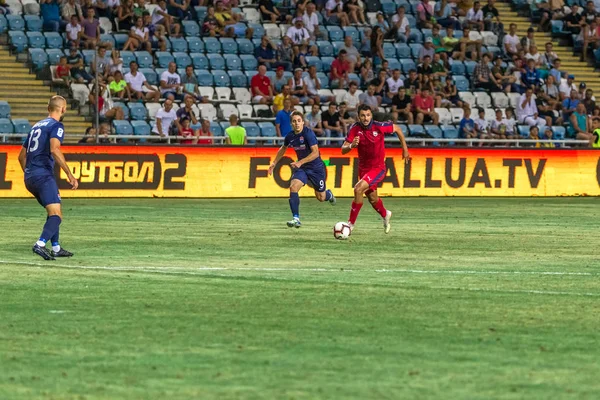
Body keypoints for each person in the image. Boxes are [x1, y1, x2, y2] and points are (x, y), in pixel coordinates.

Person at [18, 96, 78, 260]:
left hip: (30, 177)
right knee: (56, 215)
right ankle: (40, 244)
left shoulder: (36, 126)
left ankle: (56, 247)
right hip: (43, 175)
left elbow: (21, 156)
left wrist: (29, 173)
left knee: (54, 210)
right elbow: (54, 149)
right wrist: (69, 174)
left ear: (48, 108)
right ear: (63, 109)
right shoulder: (56, 125)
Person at [341, 105, 410, 234]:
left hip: (378, 168)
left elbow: (398, 129)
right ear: (358, 116)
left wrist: (405, 149)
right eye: (363, 115)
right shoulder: (354, 128)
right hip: (363, 169)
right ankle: (385, 214)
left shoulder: (379, 126)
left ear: (371, 115)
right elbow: (343, 150)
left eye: (368, 115)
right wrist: (351, 145)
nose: (366, 118)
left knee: (358, 189)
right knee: (373, 199)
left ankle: (350, 225)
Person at [268, 111, 336, 228]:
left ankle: (328, 195)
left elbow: (315, 153)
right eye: (294, 121)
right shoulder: (290, 136)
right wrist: (274, 163)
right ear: (291, 124)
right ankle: (296, 218)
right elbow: (283, 148)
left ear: (303, 122)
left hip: (316, 169)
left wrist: (300, 162)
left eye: (299, 121)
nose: (297, 123)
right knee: (293, 187)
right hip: (303, 168)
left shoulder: (308, 134)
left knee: (321, 197)